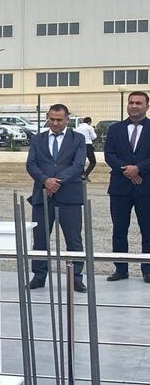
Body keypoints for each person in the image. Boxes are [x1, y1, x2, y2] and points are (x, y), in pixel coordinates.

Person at [26, 103, 87, 292]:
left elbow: (78, 166)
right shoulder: (38, 139)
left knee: (73, 239)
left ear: (67, 119)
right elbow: (31, 164)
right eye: (52, 119)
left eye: (59, 120)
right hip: (43, 196)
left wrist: (56, 181)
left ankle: (75, 278)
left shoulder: (78, 139)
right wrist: (46, 181)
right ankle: (39, 276)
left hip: (69, 197)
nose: (55, 123)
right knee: (40, 239)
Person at [104, 91, 150, 283]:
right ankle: (121, 269)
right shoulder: (115, 129)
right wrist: (128, 170)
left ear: (147, 106)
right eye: (131, 102)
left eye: (138, 103)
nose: (134, 106)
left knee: (147, 230)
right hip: (120, 188)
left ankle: (148, 269)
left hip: (146, 187)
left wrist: (138, 168)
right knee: (119, 230)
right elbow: (109, 154)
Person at [77, 117, 97, 181]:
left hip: (79, 145)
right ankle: (85, 174)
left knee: (82, 161)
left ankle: (81, 175)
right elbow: (94, 137)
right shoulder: (89, 127)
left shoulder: (78, 128)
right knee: (93, 161)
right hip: (88, 145)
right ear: (89, 122)